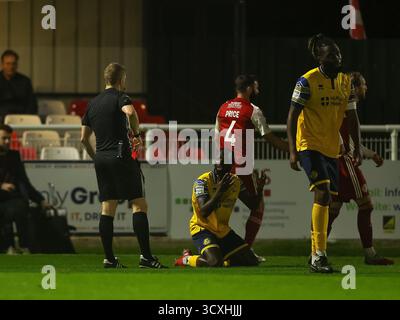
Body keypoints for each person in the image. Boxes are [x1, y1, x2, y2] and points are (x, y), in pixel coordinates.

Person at [287, 34, 362, 273]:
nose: (337, 57)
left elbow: (352, 117)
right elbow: (291, 117)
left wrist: (357, 146)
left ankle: (314, 253)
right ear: (319, 57)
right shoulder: (307, 81)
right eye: (331, 54)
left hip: (332, 148)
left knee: (327, 199)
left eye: (338, 53)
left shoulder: (345, 81)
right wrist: (292, 151)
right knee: (322, 194)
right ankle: (319, 255)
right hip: (309, 144)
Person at [81, 62, 166, 269]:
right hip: (121, 156)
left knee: (107, 207)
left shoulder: (92, 103)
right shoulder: (121, 97)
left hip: (101, 158)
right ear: (121, 80)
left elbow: (83, 138)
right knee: (139, 204)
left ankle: (109, 259)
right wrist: (136, 135)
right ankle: (146, 258)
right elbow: (130, 112)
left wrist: (96, 157)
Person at [215, 74, 289, 262]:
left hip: (223, 166)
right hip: (241, 166)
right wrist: (294, 149)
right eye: (256, 87)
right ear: (248, 88)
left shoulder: (223, 107)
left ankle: (213, 249)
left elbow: (217, 137)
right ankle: (245, 249)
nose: (258, 90)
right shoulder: (252, 110)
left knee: (220, 212)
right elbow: (270, 138)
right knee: (257, 206)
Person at [327, 72, 394, 265]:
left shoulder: (342, 107)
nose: (366, 88)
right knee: (366, 205)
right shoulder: (346, 107)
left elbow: (349, 142)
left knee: (332, 210)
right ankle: (370, 254)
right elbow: (346, 144)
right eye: (363, 84)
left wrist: (371, 154)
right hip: (345, 162)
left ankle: (316, 252)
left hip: (337, 161)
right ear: (355, 87)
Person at [175, 157, 267, 267]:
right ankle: (187, 259)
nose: (220, 163)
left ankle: (224, 260)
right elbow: (204, 211)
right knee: (214, 262)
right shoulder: (202, 182)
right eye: (218, 160)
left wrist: (260, 190)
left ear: (231, 165)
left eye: (224, 161)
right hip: (203, 228)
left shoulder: (235, 182)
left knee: (251, 260)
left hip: (223, 230)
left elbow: (253, 206)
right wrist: (220, 191)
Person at [0, 124, 51, 254]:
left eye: (9, 139)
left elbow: (25, 182)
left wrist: (41, 200)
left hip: (13, 199)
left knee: (19, 207)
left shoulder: (14, 156)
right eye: (4, 138)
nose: (7, 142)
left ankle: (24, 246)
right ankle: (8, 247)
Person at [0, 50, 38, 121]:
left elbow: (32, 104)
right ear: (2, 65)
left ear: (17, 65)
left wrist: (26, 119)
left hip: (22, 119)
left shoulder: (25, 81)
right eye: (8, 64)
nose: (11, 67)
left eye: (13, 64)